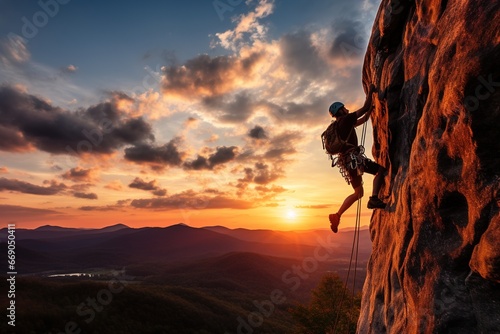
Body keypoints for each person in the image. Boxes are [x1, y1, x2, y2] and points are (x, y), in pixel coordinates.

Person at [328, 85, 386, 233]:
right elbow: (365, 108)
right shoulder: (346, 119)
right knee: (380, 171)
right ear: (340, 111)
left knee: (358, 193)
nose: (346, 109)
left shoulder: (340, 125)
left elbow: (364, 118)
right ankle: (374, 198)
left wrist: (373, 108)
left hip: (347, 163)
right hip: (354, 159)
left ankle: (337, 215)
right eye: (344, 108)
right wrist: (372, 90)